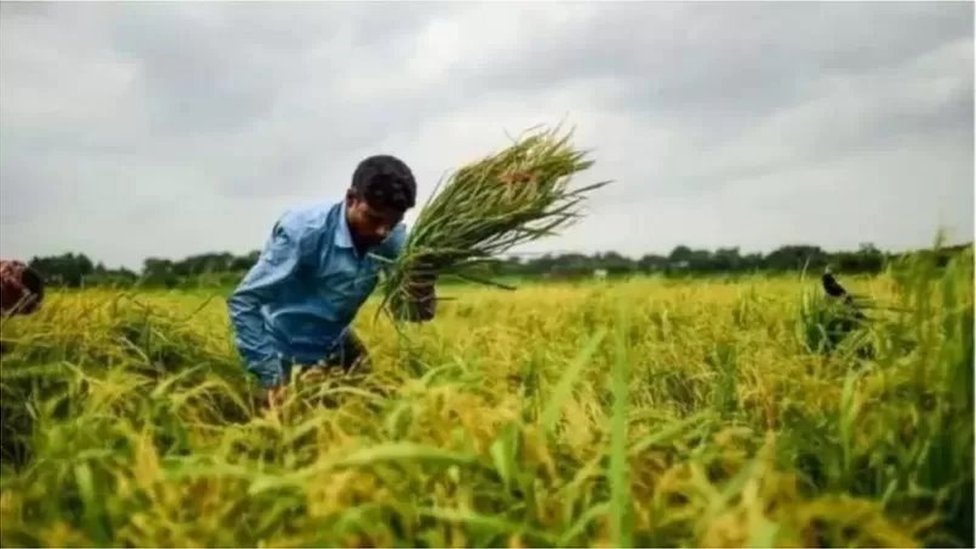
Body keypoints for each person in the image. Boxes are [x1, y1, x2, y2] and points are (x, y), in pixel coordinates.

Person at [227, 155, 436, 408]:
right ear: (351, 199)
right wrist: (272, 378)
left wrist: (422, 285)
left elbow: (412, 314)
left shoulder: (392, 239)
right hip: (283, 348)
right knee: (288, 428)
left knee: (377, 407)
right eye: (373, 218)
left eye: (392, 223)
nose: (382, 232)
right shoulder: (303, 232)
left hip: (336, 340)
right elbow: (244, 301)